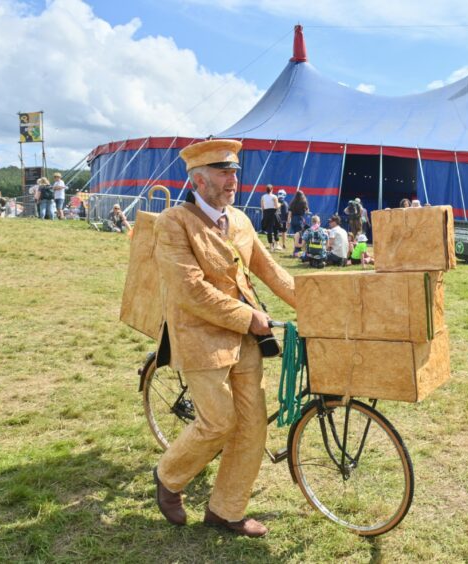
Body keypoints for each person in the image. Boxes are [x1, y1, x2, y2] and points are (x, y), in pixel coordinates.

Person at [151, 139, 295, 538]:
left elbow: (271, 271)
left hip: (246, 339)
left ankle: (225, 511)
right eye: (223, 172)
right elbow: (189, 290)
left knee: (251, 427)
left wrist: (317, 303)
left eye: (235, 172)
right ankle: (167, 476)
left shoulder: (242, 221)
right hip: (200, 337)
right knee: (218, 423)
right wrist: (248, 316)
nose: (233, 180)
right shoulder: (174, 223)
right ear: (198, 179)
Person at [288, 190, 309, 257]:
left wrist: (288, 222)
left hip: (293, 220)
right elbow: (307, 211)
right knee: (300, 236)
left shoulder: (292, 202)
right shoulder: (304, 202)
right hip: (300, 219)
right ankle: (296, 252)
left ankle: (296, 250)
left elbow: (289, 214)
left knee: (296, 236)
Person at [260, 184, 280, 251]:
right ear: (272, 189)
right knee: (276, 228)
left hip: (266, 213)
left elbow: (262, 207)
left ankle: (271, 245)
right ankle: (277, 244)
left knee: (269, 230)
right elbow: (277, 206)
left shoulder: (263, 197)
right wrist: (280, 204)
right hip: (273, 213)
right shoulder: (274, 197)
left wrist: (265, 214)